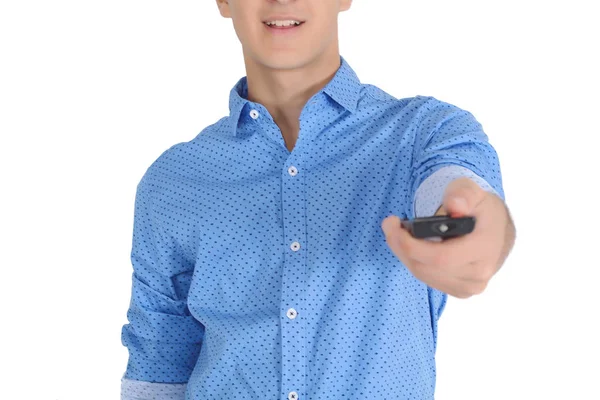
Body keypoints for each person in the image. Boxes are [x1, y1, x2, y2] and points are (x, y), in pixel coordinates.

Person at [120, 0, 517, 399]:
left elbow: (459, 187)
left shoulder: (423, 133)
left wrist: (473, 228)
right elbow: (158, 362)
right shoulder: (172, 179)